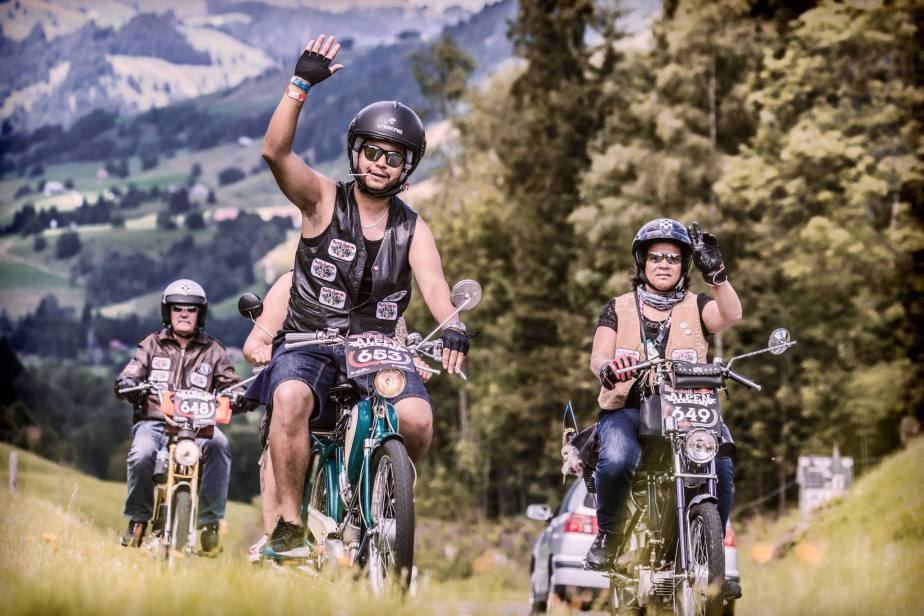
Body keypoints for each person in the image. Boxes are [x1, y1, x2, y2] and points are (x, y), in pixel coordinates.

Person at [250, 33, 471, 558]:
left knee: (417, 418)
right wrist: (299, 85)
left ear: (407, 168)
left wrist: (454, 324)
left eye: (393, 158)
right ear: (356, 152)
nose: (379, 164)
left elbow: (437, 289)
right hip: (308, 340)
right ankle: (286, 528)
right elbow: (273, 151)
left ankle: (385, 496)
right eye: (371, 151)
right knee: (290, 398)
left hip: (379, 347)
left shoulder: (414, 228)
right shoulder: (321, 199)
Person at [584, 219, 743, 572]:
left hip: (689, 409)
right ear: (642, 262)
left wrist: (717, 274)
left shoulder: (697, 304)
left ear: (684, 265)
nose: (663, 264)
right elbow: (598, 356)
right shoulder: (618, 306)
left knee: (721, 464)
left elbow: (731, 314)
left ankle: (708, 547)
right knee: (619, 460)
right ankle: (609, 536)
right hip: (630, 408)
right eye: (655, 257)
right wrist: (607, 367)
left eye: (673, 258)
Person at [241, 271, 433, 559]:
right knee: (283, 425)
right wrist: (262, 350)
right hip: (313, 380)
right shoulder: (295, 282)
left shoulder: (384, 285)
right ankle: (276, 533)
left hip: (366, 384)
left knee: (412, 419)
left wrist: (413, 359)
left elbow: (397, 342)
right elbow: (255, 341)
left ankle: (383, 502)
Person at [114, 279, 244, 556]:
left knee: (220, 446)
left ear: (200, 314)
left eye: (191, 309)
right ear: (168, 312)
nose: (184, 313)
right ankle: (138, 519)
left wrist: (238, 395)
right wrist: (127, 383)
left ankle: (210, 524)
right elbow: (132, 371)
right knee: (142, 453)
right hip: (154, 422)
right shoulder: (151, 344)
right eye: (178, 308)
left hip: (199, 429)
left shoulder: (214, 351)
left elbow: (232, 382)